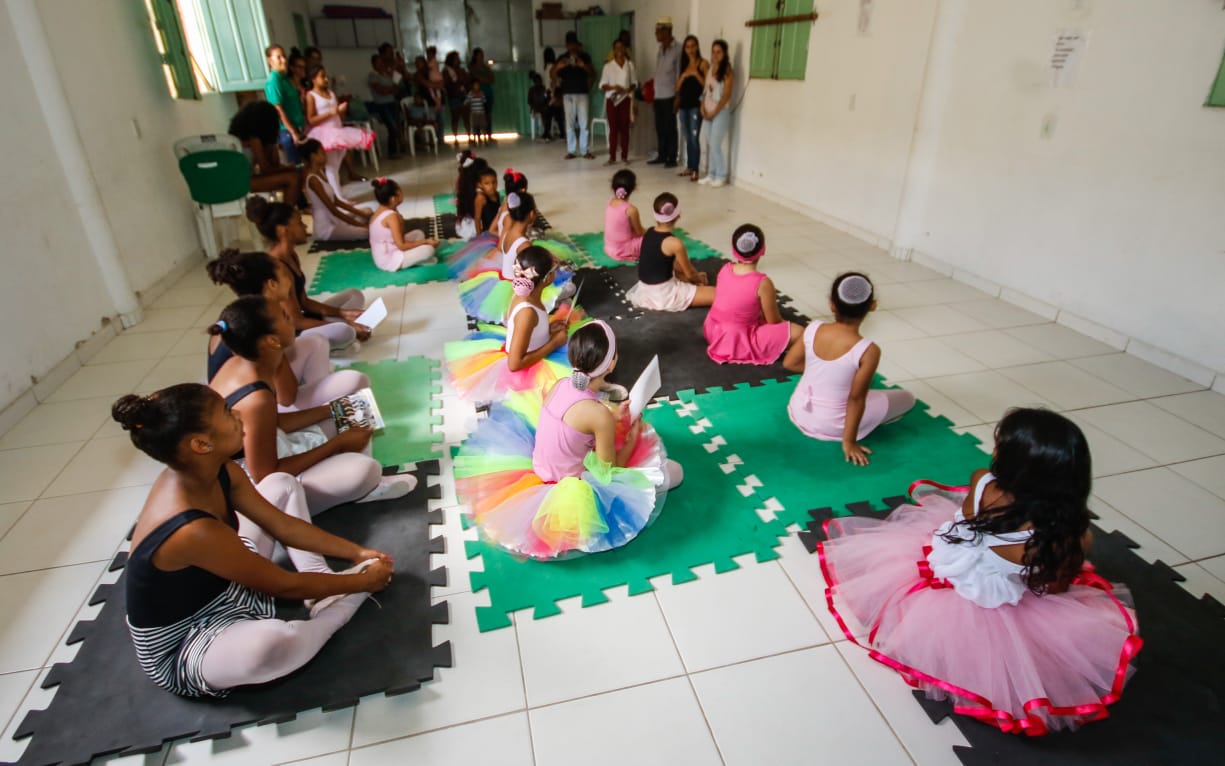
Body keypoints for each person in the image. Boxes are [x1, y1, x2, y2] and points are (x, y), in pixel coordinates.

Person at [819, 408, 1141, 734]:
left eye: (999, 445)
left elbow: (970, 522)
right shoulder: (1065, 539)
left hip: (948, 563)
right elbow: (1054, 587)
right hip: (986, 595)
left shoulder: (982, 481)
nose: (994, 449)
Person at [116, 385, 393, 699]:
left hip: (227, 586)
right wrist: (362, 583)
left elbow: (283, 525)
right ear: (201, 444)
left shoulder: (220, 468)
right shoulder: (190, 529)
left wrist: (357, 552)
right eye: (225, 412)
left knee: (281, 484)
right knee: (270, 647)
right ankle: (335, 613)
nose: (237, 414)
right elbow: (284, 586)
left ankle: (323, 584)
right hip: (186, 638)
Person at [453, 321, 683, 559]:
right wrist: (632, 438)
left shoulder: (561, 384)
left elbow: (576, 420)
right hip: (569, 487)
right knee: (674, 473)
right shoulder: (599, 415)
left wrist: (611, 415)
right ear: (612, 363)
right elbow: (610, 473)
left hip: (540, 468)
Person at [207, 296, 411, 515]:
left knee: (353, 410)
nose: (292, 318)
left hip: (275, 446)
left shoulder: (244, 362)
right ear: (272, 340)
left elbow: (273, 422)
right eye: (285, 317)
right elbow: (267, 476)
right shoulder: (256, 399)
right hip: (262, 490)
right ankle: (365, 486)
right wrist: (336, 445)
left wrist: (331, 409)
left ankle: (352, 468)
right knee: (365, 471)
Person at [206, 249, 369, 410]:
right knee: (354, 381)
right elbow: (287, 398)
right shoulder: (264, 327)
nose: (292, 322)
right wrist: (329, 410)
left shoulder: (241, 314)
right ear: (272, 284)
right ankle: (321, 400)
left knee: (317, 341)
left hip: (263, 391)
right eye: (285, 275)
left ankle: (320, 392)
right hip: (264, 408)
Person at [783, 273, 915, 465]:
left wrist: (825, 374)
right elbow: (856, 399)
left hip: (799, 410)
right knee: (908, 398)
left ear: (832, 305)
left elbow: (790, 363)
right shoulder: (868, 350)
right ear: (872, 306)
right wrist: (849, 441)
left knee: (865, 393)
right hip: (832, 424)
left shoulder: (813, 328)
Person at [445, 245, 574, 403]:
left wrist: (548, 330)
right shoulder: (527, 311)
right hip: (524, 369)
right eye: (553, 270)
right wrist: (553, 343)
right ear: (547, 278)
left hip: (529, 348)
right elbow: (514, 363)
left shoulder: (525, 295)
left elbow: (527, 330)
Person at [246, 197, 370, 350]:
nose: (305, 226)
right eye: (299, 222)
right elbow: (296, 321)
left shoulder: (291, 254)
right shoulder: (277, 267)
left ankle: (340, 325)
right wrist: (344, 324)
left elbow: (304, 301)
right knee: (346, 332)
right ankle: (339, 331)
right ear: (283, 230)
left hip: (303, 317)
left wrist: (343, 313)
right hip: (294, 333)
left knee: (355, 295)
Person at [703, 224, 803, 365]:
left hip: (713, 331)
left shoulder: (725, 268)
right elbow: (774, 321)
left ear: (734, 250)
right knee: (800, 333)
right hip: (737, 340)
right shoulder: (763, 283)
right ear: (763, 249)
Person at [626, 193, 715, 310]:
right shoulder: (675, 243)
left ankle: (690, 284)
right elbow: (690, 274)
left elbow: (670, 264)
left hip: (645, 291)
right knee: (718, 294)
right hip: (665, 295)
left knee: (678, 267)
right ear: (678, 215)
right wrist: (699, 278)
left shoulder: (649, 232)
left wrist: (692, 277)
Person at [304, 64, 374, 198]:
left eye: (326, 76)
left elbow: (336, 113)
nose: (326, 79)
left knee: (336, 165)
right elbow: (311, 119)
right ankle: (338, 197)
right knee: (331, 166)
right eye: (322, 76)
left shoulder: (330, 93)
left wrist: (341, 111)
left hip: (338, 131)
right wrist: (332, 112)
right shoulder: (311, 95)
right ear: (313, 79)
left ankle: (336, 195)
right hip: (325, 134)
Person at [228, 101, 303, 204]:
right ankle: (287, 212)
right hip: (238, 182)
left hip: (244, 179)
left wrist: (273, 145)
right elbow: (266, 169)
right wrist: (288, 168)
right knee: (292, 178)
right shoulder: (253, 139)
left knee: (293, 176)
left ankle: (288, 209)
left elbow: (274, 165)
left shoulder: (256, 139)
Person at [301, 139, 373, 241]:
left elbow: (336, 201)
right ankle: (354, 227)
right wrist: (359, 225)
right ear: (313, 156)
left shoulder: (320, 172)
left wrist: (360, 213)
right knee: (366, 232)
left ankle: (353, 225)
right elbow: (333, 210)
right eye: (322, 152)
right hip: (327, 227)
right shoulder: (313, 180)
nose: (325, 155)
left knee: (367, 211)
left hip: (335, 219)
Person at [368, 178, 438, 271]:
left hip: (389, 249)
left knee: (418, 233)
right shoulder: (391, 216)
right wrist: (426, 242)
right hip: (389, 260)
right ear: (393, 199)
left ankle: (414, 258)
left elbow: (401, 235)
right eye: (400, 191)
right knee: (429, 250)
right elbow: (401, 245)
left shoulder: (382, 211)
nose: (402, 193)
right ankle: (416, 259)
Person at [552, 32, 595, 160]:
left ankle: (584, 150)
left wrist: (582, 65)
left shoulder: (584, 56)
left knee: (584, 123)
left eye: (573, 44)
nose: (571, 47)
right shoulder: (562, 58)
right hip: (568, 94)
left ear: (577, 44)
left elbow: (592, 73)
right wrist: (558, 67)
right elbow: (552, 74)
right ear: (566, 45)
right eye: (569, 44)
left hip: (582, 93)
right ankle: (571, 150)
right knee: (569, 124)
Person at [264, 45, 308, 164]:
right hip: (287, 132)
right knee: (296, 166)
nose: (283, 60)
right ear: (270, 61)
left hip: (298, 128)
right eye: (278, 57)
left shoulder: (285, 79)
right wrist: (293, 132)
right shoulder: (273, 80)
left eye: (284, 56)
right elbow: (278, 108)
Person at [699, 40, 734, 187]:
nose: (715, 55)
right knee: (709, 142)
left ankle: (721, 175)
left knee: (715, 144)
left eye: (719, 52)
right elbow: (706, 90)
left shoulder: (727, 71)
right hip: (707, 111)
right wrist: (702, 106)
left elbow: (726, 95)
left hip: (720, 112)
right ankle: (711, 174)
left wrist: (714, 112)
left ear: (724, 53)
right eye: (713, 51)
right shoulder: (711, 69)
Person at [648, 18, 681, 168]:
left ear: (667, 31)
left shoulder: (678, 49)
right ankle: (662, 155)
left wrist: (678, 97)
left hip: (670, 95)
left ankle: (672, 157)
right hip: (658, 95)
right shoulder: (660, 49)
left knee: (670, 128)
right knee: (660, 128)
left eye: (658, 31)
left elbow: (679, 74)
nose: (656, 34)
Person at [600, 38, 637, 165]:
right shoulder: (608, 66)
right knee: (613, 129)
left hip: (625, 99)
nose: (619, 50)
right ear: (613, 50)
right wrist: (614, 87)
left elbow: (634, 82)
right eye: (616, 48)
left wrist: (628, 89)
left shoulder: (629, 65)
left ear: (625, 49)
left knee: (625, 128)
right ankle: (612, 157)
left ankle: (624, 156)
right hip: (612, 100)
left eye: (621, 47)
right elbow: (602, 85)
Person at [675, 36, 707, 181]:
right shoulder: (684, 64)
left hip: (696, 106)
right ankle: (689, 167)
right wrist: (683, 77)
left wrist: (695, 74)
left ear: (697, 46)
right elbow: (677, 88)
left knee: (694, 138)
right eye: (687, 47)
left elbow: (708, 85)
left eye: (693, 46)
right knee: (688, 138)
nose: (690, 49)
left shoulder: (703, 63)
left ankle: (696, 170)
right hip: (684, 106)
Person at [366, 54, 405, 157]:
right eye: (378, 63)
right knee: (391, 126)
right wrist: (391, 89)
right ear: (373, 64)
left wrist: (390, 89)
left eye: (381, 62)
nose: (381, 64)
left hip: (392, 103)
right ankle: (392, 151)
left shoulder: (388, 74)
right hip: (382, 105)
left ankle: (399, 148)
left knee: (398, 124)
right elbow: (381, 90)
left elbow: (397, 86)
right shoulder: (373, 76)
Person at [604, 169, 646, 262]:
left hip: (609, 248)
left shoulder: (610, 202)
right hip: (622, 250)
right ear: (634, 188)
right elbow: (639, 232)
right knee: (655, 239)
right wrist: (652, 232)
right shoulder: (631, 209)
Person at [443, 51, 471, 142]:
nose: (458, 60)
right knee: (455, 118)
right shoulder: (447, 71)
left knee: (466, 117)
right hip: (454, 96)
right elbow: (446, 84)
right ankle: (455, 137)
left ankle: (469, 136)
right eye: (456, 59)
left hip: (463, 95)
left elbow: (467, 81)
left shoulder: (462, 70)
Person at [469, 48, 496, 143]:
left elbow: (492, 79)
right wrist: (484, 79)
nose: (481, 57)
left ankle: (488, 135)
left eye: (482, 55)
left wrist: (485, 78)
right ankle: (478, 136)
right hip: (477, 95)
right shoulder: (472, 67)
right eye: (480, 55)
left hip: (487, 93)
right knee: (477, 117)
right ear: (475, 56)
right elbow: (476, 78)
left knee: (487, 115)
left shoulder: (486, 67)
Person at [464, 80, 489, 146]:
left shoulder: (481, 93)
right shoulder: (470, 93)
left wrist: (481, 96)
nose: (476, 87)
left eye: (477, 85)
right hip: (474, 113)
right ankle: (475, 140)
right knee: (475, 127)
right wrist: (472, 97)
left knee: (483, 126)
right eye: (475, 85)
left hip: (481, 112)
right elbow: (466, 102)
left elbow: (484, 101)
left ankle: (485, 139)